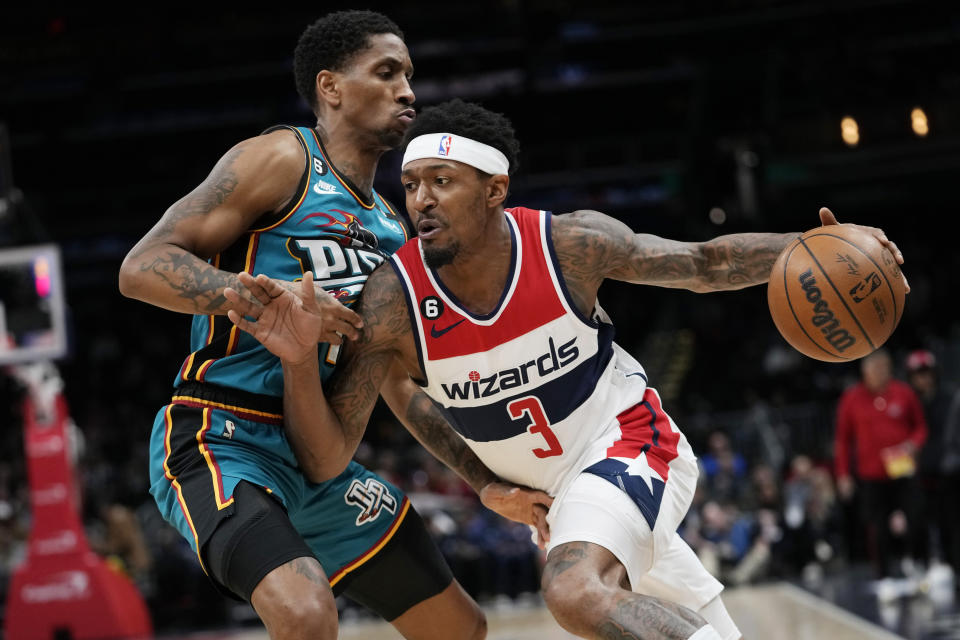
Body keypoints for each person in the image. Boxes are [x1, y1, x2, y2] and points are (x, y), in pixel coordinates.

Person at [225, 98, 907, 640]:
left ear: (494, 191)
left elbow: (704, 265)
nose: (421, 199)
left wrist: (813, 244)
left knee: (573, 592)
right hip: (559, 503)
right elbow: (340, 446)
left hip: (628, 443)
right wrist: (303, 364)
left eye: (442, 181)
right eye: (411, 184)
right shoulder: (393, 299)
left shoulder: (567, 245)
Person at [118, 14, 551, 640]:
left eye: (409, 76)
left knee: (460, 628)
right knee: (305, 614)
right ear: (331, 87)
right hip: (222, 435)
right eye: (387, 72)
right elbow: (142, 267)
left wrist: (485, 483)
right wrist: (272, 305)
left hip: (318, 457)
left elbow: (399, 388)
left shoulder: (394, 234)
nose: (408, 91)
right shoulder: (282, 159)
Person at [834, 349, 927, 582]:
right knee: (877, 528)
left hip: (902, 469)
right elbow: (843, 441)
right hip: (871, 474)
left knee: (915, 517)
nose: (880, 373)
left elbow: (921, 427)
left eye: (884, 368)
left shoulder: (903, 393)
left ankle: (917, 563)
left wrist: (912, 445)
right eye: (875, 369)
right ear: (865, 371)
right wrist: (843, 474)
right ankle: (884, 576)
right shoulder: (852, 399)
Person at [906, 349, 960, 580]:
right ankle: (920, 564)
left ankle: (954, 568)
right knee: (917, 523)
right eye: (918, 374)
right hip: (916, 474)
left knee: (951, 524)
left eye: (927, 372)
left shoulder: (950, 398)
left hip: (947, 472)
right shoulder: (906, 401)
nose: (924, 378)